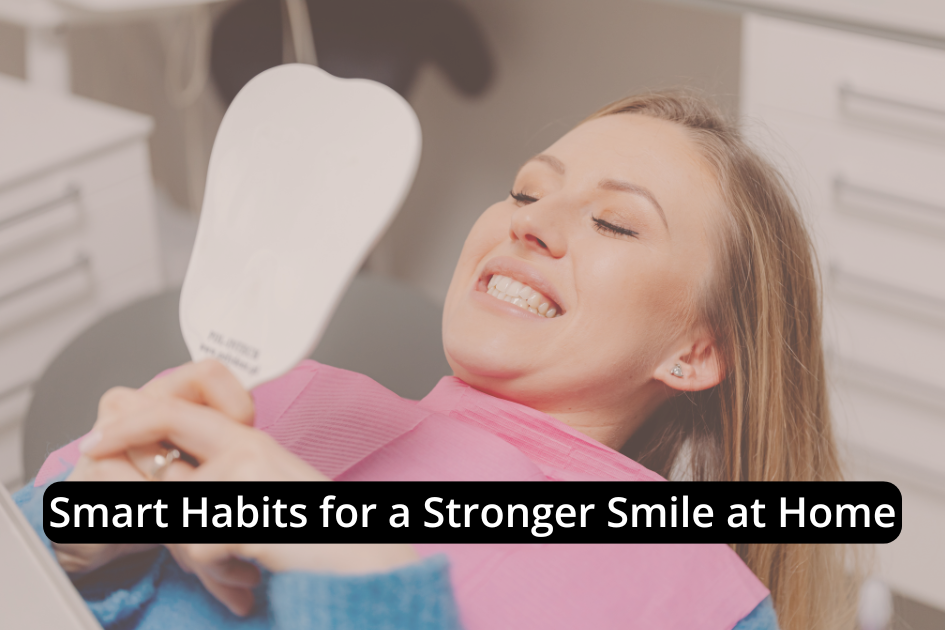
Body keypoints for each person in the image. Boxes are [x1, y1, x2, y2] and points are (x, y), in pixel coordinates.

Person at [16, 91, 856, 630]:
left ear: (696, 351)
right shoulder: (259, 400)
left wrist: (353, 575)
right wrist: (66, 545)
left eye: (614, 222)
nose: (528, 221)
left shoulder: (688, 596)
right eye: (526, 190)